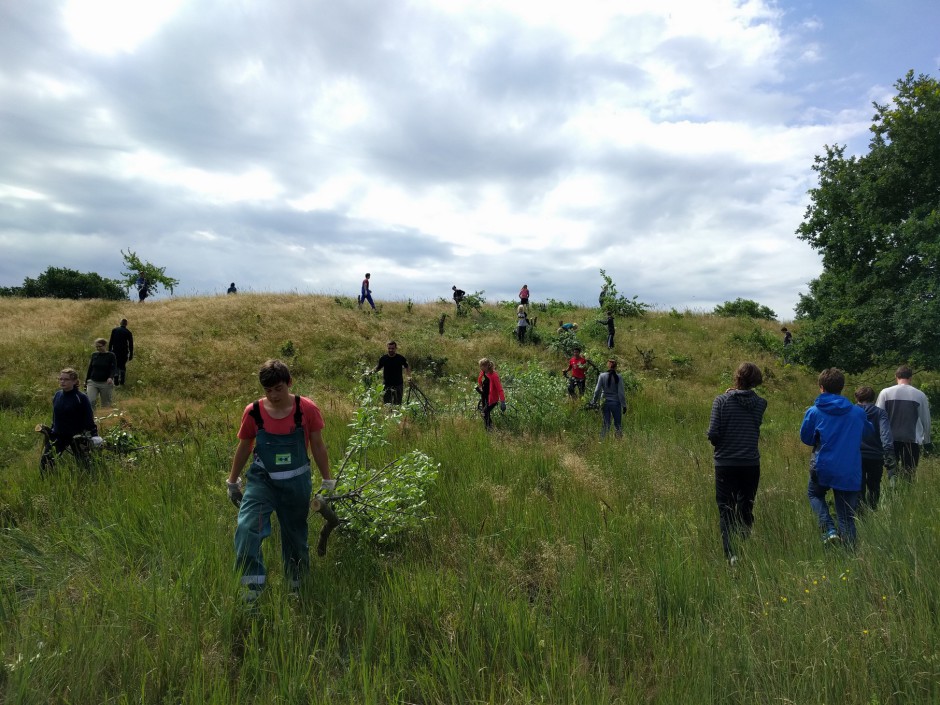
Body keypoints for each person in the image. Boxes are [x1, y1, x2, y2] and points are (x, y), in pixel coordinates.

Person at [226, 359, 333, 600]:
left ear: (289, 383)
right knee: (247, 528)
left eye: (278, 389)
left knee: (295, 536)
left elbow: (317, 446)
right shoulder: (253, 412)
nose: (273, 395)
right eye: (268, 390)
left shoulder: (306, 409)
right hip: (262, 482)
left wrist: (328, 482)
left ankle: (296, 585)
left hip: (296, 483)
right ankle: (251, 590)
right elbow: (244, 446)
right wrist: (232, 481)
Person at [800, 368, 873, 547]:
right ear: (842, 388)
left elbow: (806, 438)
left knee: (814, 494)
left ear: (821, 387)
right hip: (849, 469)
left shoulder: (814, 412)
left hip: (822, 467)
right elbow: (869, 433)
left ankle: (828, 530)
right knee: (847, 516)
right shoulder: (857, 413)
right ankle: (849, 557)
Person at [707, 362, 768, 563]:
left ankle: (731, 554)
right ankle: (744, 541)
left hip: (725, 462)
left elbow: (713, 435)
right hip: (750, 463)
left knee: (726, 509)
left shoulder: (721, 401)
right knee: (746, 505)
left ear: (737, 378)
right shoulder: (761, 404)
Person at [876, 365, 931, 481]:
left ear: (896, 377)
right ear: (911, 378)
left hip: (890, 439)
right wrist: (927, 440)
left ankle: (893, 494)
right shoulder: (919, 395)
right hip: (911, 439)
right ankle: (907, 494)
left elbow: (878, 417)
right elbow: (925, 419)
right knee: (909, 474)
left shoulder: (885, 393)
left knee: (892, 474)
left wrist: (877, 438)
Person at [41, 368, 101, 473]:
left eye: (66, 379)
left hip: (76, 436)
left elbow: (88, 417)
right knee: (45, 462)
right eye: (61, 379)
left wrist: (94, 435)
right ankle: (45, 481)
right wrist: (51, 430)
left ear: (74, 381)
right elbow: (55, 415)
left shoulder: (81, 397)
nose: (62, 382)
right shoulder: (57, 395)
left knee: (84, 464)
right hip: (59, 435)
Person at [854, 386, 896, 510]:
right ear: (873, 398)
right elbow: (885, 434)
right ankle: (872, 510)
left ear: (856, 397)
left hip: (856, 455)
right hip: (875, 455)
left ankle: (860, 514)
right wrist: (889, 453)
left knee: (858, 486)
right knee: (874, 486)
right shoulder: (880, 413)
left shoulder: (851, 412)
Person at [591, 358, 626, 439]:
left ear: (608, 365)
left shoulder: (602, 376)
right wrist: (624, 405)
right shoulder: (619, 377)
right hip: (616, 403)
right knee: (618, 424)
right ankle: (619, 442)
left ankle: (602, 440)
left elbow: (597, 391)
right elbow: (621, 393)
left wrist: (594, 401)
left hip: (605, 402)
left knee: (606, 423)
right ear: (616, 367)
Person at [85, 338, 116, 408]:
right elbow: (90, 368)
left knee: (106, 404)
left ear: (105, 345)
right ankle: (91, 417)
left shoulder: (111, 355)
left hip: (106, 383)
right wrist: (86, 380)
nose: (98, 348)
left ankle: (104, 417)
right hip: (93, 382)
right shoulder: (94, 355)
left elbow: (113, 368)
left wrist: (111, 377)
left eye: (100, 346)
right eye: (96, 347)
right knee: (90, 401)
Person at [476, 358, 506, 431]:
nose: (480, 368)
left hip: (492, 399)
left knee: (484, 413)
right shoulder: (483, 372)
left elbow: (500, 389)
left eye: (481, 366)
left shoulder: (494, 375)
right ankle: (489, 429)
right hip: (484, 396)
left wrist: (502, 401)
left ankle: (490, 429)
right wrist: (480, 387)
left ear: (486, 366)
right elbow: (480, 379)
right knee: (486, 414)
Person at [108, 319, 134, 386]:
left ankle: (116, 377)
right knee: (122, 365)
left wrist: (109, 350)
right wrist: (131, 354)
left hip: (115, 351)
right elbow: (131, 344)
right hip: (124, 352)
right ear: (126, 324)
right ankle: (122, 380)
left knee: (116, 364)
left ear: (120, 323)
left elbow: (111, 341)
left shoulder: (114, 330)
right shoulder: (128, 332)